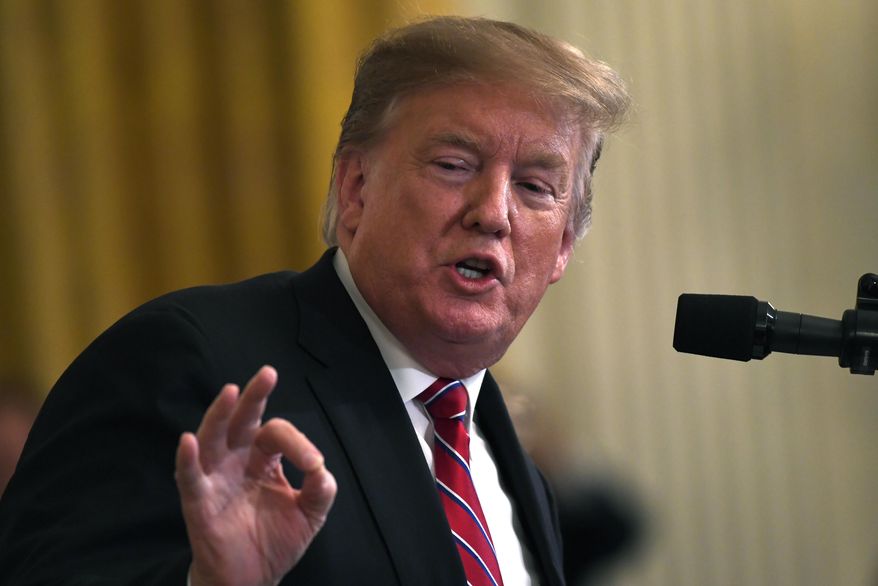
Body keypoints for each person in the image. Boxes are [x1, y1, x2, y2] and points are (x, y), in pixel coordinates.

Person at [0, 16, 629, 586]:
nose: (493, 213)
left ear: (565, 246)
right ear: (355, 189)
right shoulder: (188, 364)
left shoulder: (504, 450)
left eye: (535, 187)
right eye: (453, 164)